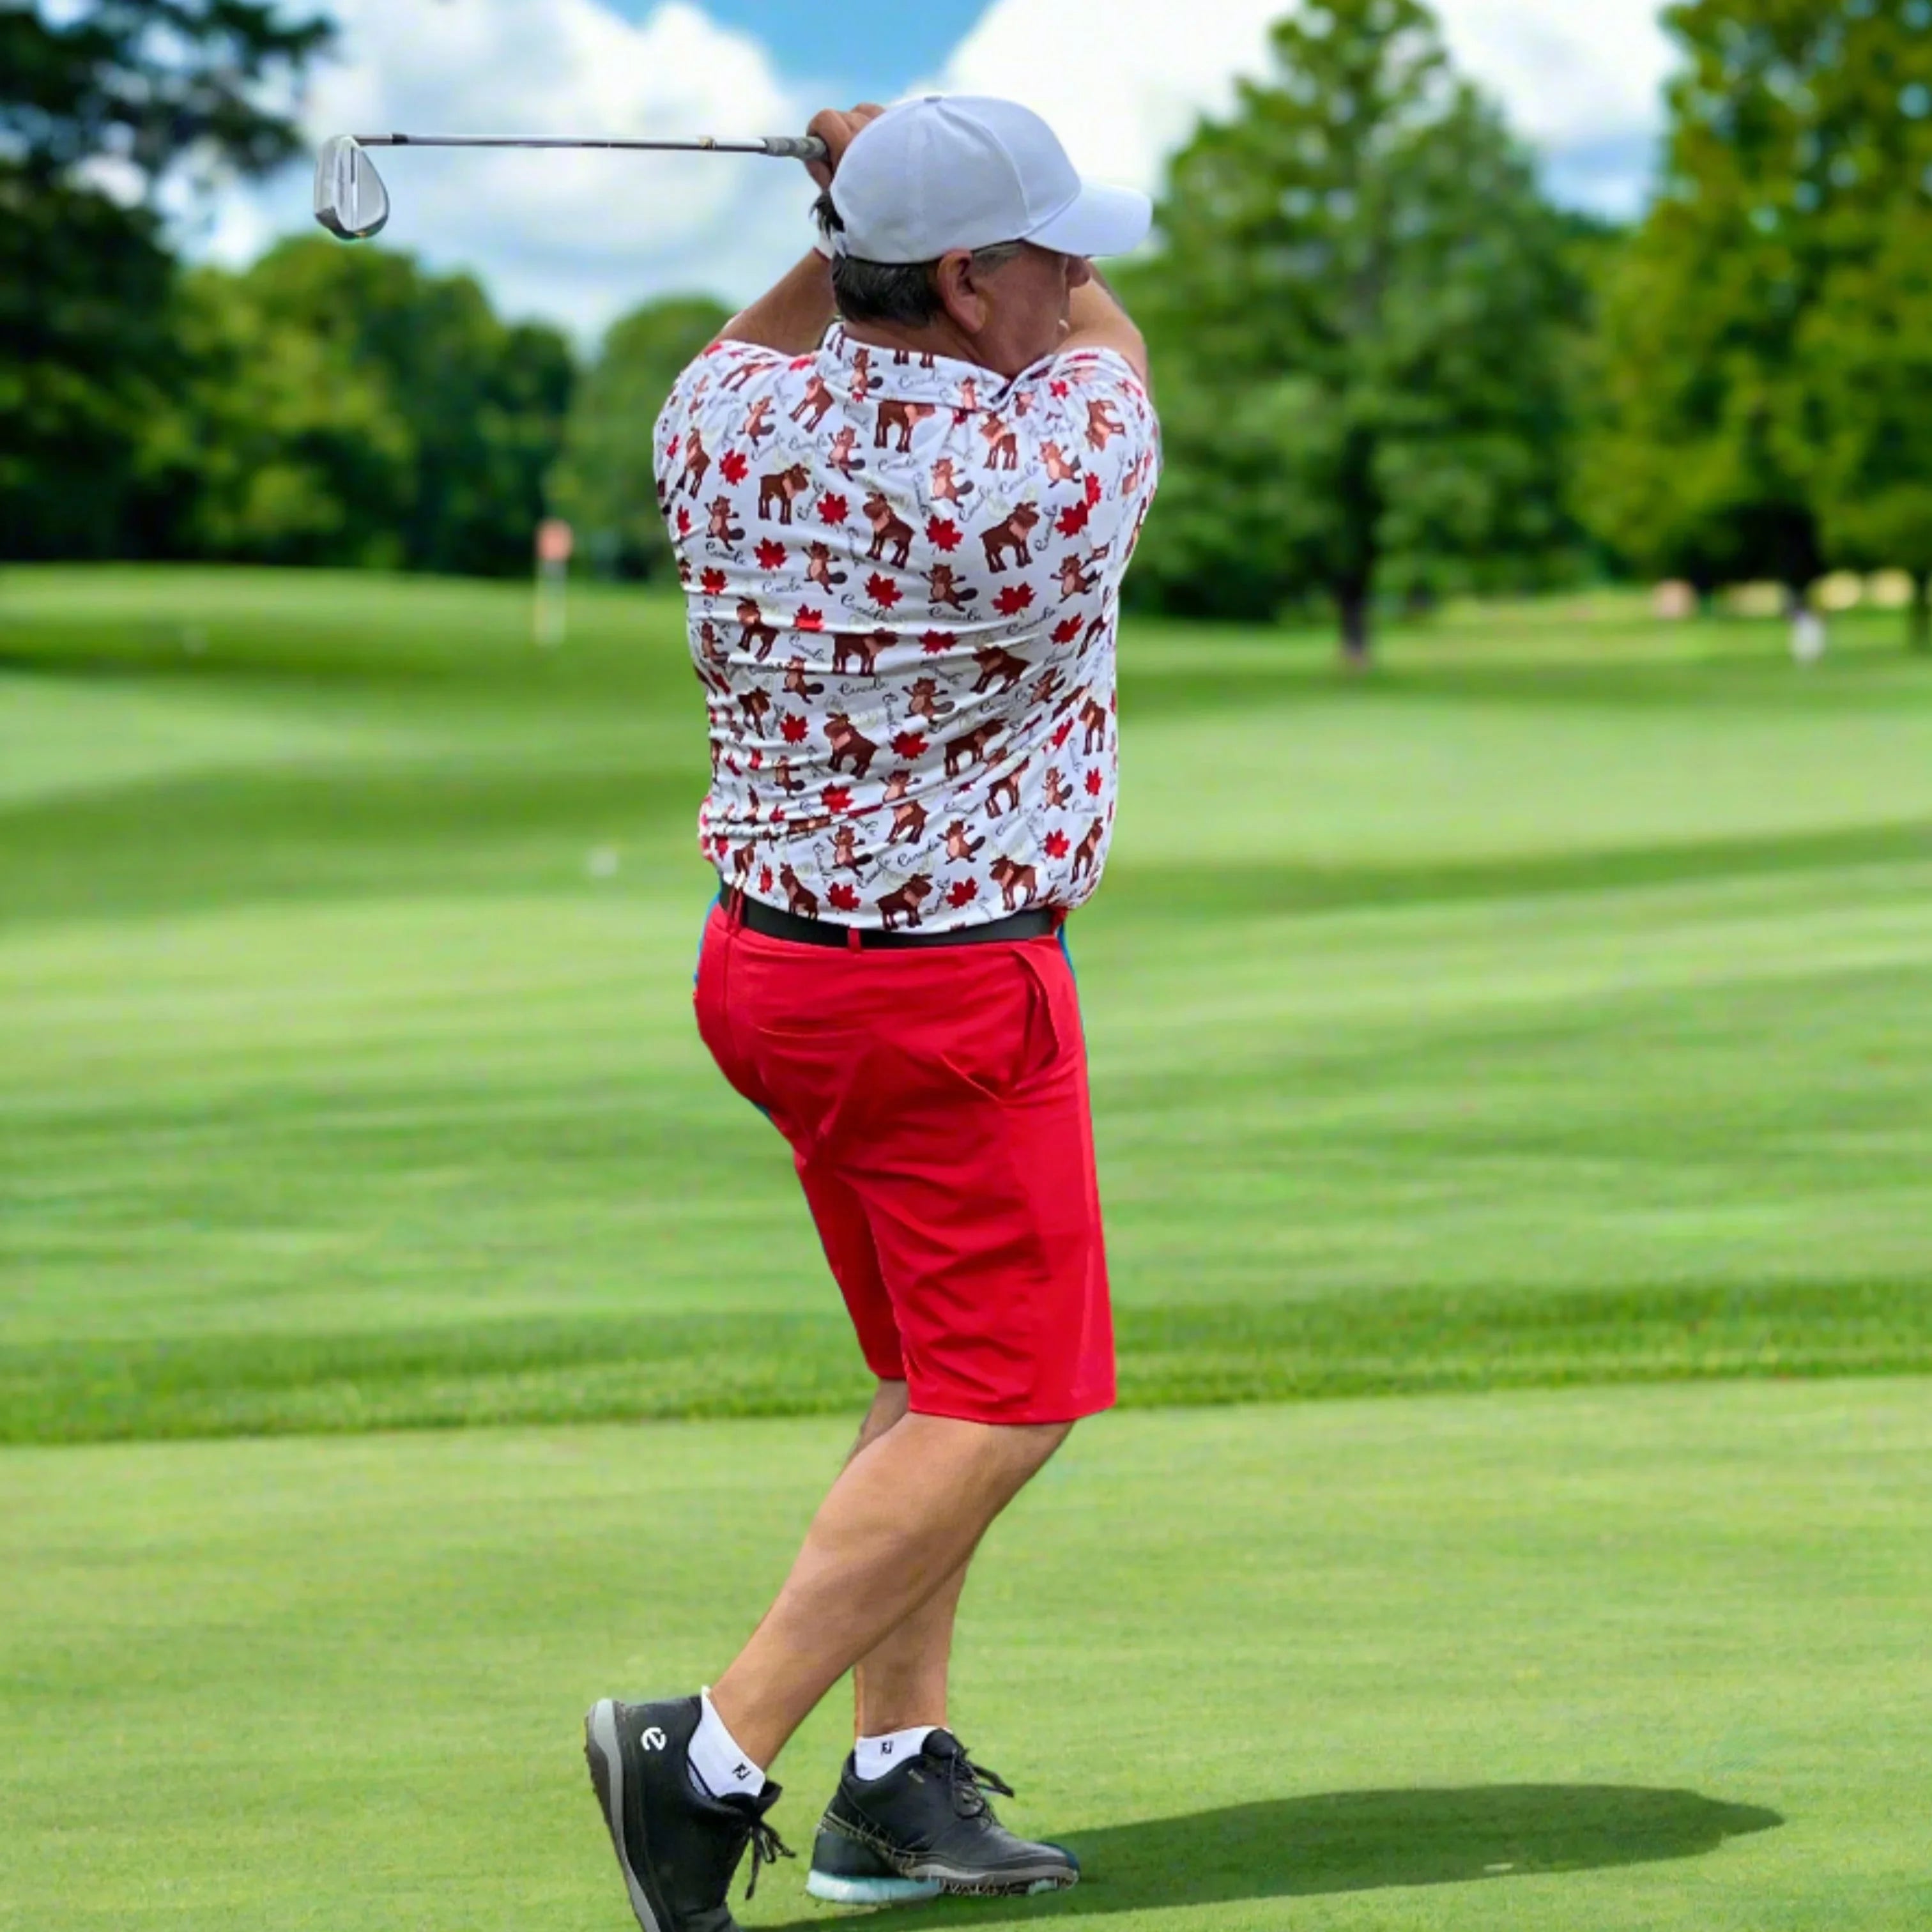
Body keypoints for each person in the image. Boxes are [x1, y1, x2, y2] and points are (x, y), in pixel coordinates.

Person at [584, 93, 1160, 1932]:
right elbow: (1110, 342)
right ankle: (711, 1756)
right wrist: (866, 186)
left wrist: (848, 203)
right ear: (976, 277)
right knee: (1013, 1395)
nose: (1083, 269)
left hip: (767, 977)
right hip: (949, 997)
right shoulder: (1046, 469)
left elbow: (781, 328)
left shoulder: (721, 425)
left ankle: (894, 1785)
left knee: (926, 1377)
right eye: (1048, 245)